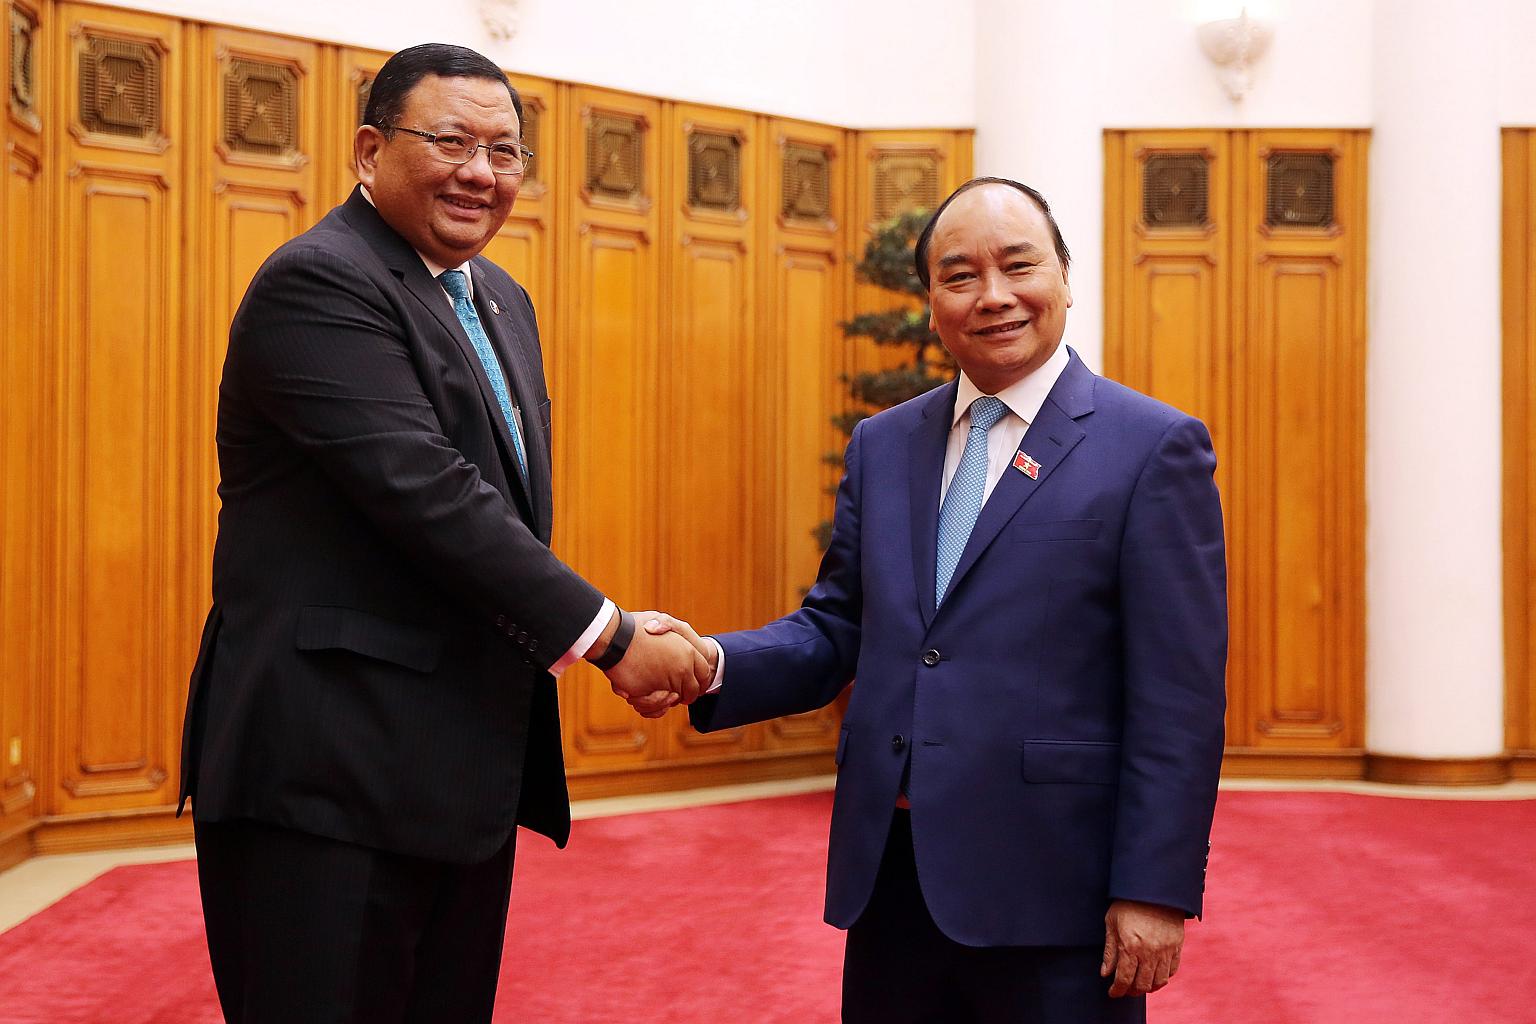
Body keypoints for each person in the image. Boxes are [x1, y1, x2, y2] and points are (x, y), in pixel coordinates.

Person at [177, 43, 707, 1024]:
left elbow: (498, 510)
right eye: (451, 141)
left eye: (505, 152)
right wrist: (611, 637)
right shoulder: (319, 282)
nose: (481, 172)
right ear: (369, 150)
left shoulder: (498, 298)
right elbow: (430, 493)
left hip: (456, 772)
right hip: (327, 775)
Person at [645, 177, 1228, 1023]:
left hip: (1055, 892)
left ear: (1065, 278)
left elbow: (1180, 696)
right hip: (892, 881)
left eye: (1018, 266)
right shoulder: (884, 444)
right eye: (959, 276)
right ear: (930, 303)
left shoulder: (1152, 448)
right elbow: (838, 626)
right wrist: (712, 663)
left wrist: (1155, 888)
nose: (993, 295)